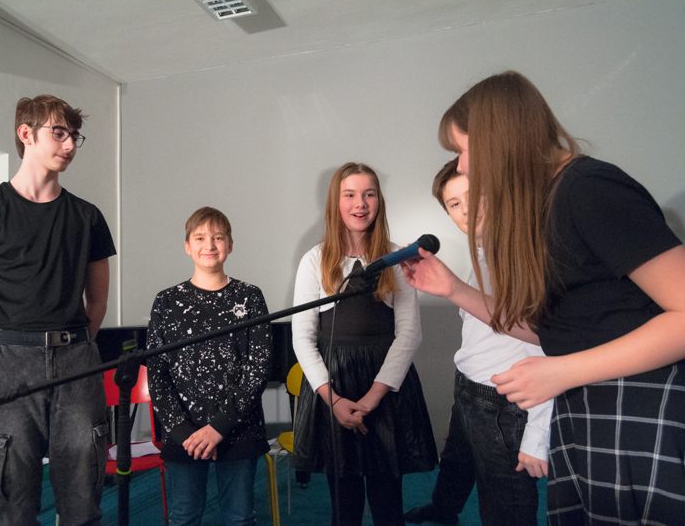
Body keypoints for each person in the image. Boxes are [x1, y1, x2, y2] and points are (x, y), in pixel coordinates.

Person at [401, 71, 685, 525]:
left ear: (501, 139)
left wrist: (563, 371)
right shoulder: (546, 206)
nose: (462, 167)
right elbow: (549, 331)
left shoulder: (589, 188)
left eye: (464, 150)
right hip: (586, 404)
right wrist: (453, 288)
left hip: (637, 407)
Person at [0, 95, 115, 525]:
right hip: (5, 363)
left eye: (74, 136)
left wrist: (74, 347)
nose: (69, 145)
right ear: (26, 133)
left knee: (83, 500)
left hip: (76, 362)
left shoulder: (88, 217)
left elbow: (97, 302)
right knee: (15, 505)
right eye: (59, 133)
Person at [404, 159, 552, 526]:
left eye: (474, 196)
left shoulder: (524, 255)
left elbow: (548, 344)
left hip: (505, 402)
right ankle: (443, 511)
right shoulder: (482, 250)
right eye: (455, 204)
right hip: (470, 388)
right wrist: (462, 406)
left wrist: (538, 434)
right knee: (455, 462)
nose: (466, 210)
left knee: (505, 502)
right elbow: (478, 327)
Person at [291, 163, 438, 526]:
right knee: (344, 505)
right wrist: (334, 400)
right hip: (335, 384)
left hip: (383, 388)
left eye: (369, 194)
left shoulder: (397, 258)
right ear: (335, 202)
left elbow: (409, 333)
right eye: (350, 195)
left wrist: (373, 398)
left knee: (388, 502)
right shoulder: (315, 260)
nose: (360, 203)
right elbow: (303, 337)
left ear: (379, 201)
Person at [146, 207, 272, 526]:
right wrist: (185, 433)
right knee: (184, 517)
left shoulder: (250, 297)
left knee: (240, 517)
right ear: (187, 246)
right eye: (200, 238)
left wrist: (219, 427)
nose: (210, 245)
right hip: (184, 433)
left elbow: (258, 369)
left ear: (230, 245)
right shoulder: (166, 302)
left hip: (238, 428)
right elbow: (157, 376)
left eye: (218, 237)